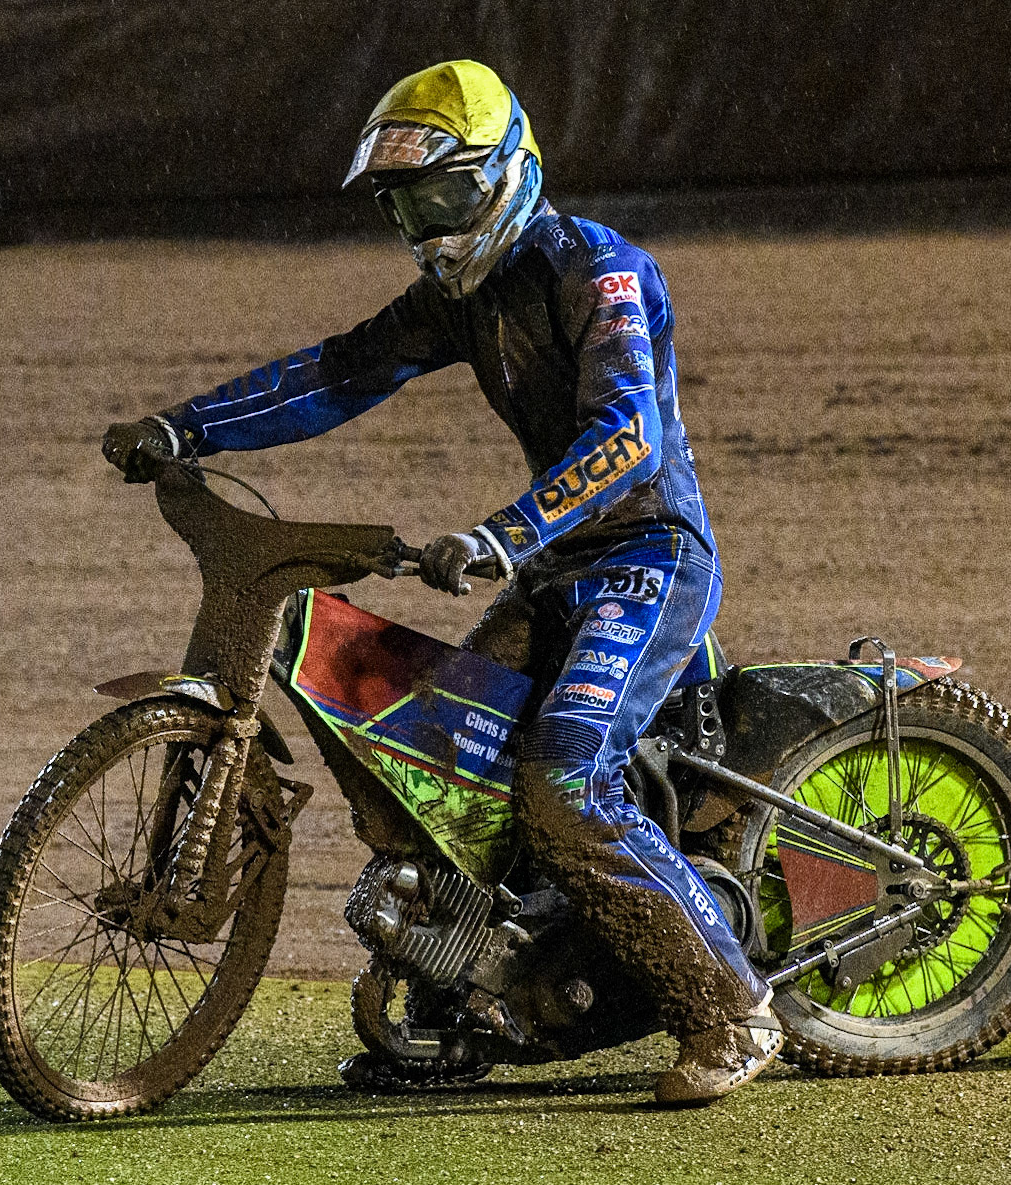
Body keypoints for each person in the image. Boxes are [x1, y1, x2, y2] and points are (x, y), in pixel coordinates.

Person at [102, 60, 778, 1105]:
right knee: (444, 762)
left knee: (561, 788)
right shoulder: (459, 301)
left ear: (510, 172)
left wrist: (507, 534)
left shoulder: (596, 271)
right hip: (561, 565)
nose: (428, 222)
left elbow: (631, 434)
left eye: (447, 194)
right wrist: (184, 427)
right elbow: (338, 373)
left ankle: (733, 1010)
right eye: (406, 203)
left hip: (650, 560)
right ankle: (475, 1001)